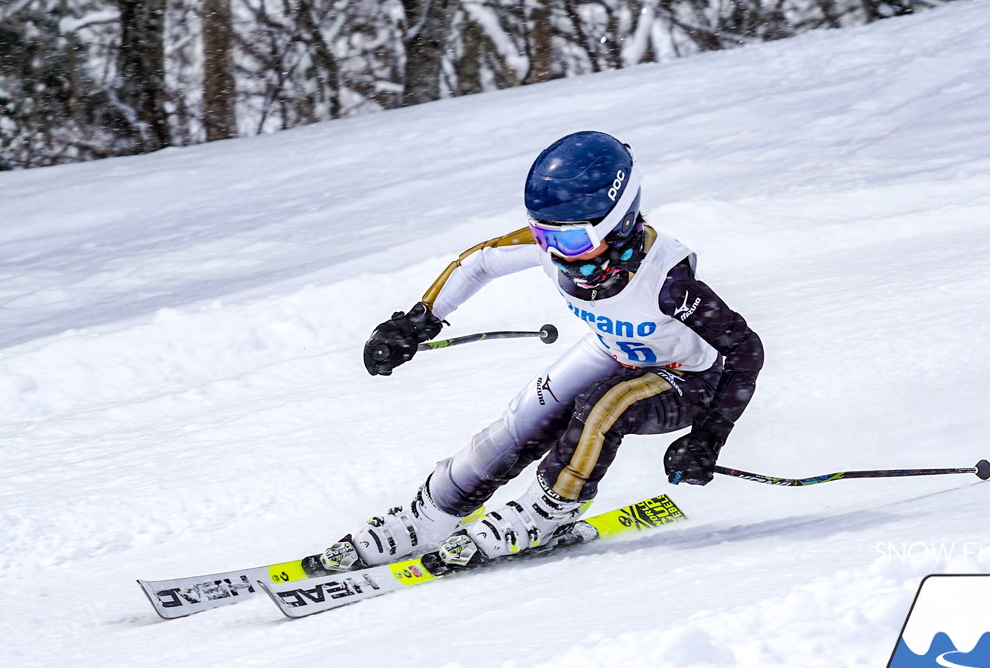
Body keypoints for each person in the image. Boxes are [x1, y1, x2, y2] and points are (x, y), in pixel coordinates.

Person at [320, 130, 763, 571]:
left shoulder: (667, 283)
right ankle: (431, 515)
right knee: (522, 423)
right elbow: (480, 261)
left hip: (686, 378)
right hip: (613, 350)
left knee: (602, 406)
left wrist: (708, 437)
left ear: (621, 223)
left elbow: (744, 349)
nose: (556, 255)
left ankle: (551, 511)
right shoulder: (555, 249)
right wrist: (416, 322)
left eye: (571, 243)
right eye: (542, 237)